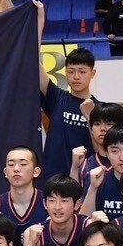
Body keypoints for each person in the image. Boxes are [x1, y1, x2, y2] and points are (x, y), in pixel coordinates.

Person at [39, 43, 96, 181]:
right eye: (71, 71)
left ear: (92, 73)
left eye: (82, 71)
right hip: (53, 179)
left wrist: (89, 118)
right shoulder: (57, 98)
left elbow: (103, 149)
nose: (76, 77)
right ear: (65, 72)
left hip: (84, 181)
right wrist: (39, 20)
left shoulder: (100, 109)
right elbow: (33, 60)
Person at [0, 144, 44, 233]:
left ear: (36, 171)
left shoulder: (49, 203)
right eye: (11, 164)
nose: (16, 169)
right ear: (5, 172)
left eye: (23, 164)